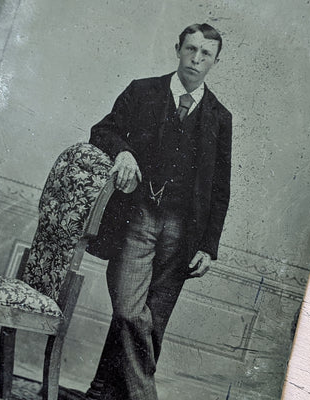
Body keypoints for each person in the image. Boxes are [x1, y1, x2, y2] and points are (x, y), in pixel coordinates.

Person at [86, 23, 232, 400]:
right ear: (177, 49)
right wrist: (123, 152)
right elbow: (101, 131)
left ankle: (103, 392)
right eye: (190, 50)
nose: (196, 60)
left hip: (183, 234)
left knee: (153, 324)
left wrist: (208, 246)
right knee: (130, 313)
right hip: (139, 218)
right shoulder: (143, 91)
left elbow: (219, 189)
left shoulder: (219, 116)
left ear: (216, 61)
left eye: (206, 54)